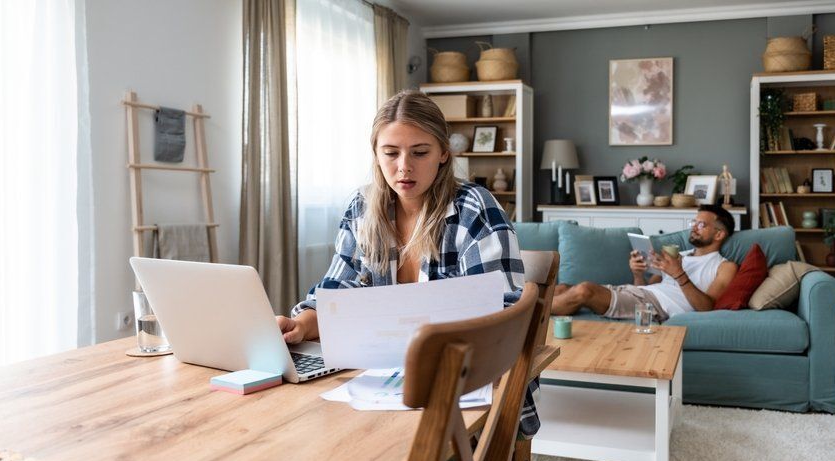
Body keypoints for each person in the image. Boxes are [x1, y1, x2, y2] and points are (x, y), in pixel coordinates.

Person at [276, 90, 538, 434]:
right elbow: (337, 291)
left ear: (443, 153)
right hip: (381, 383)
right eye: (391, 153)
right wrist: (302, 324)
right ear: (376, 154)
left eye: (420, 152)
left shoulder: (474, 208)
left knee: (367, 446)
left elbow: (505, 315)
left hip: (466, 386)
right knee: (318, 435)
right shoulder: (361, 208)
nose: (404, 167)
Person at [551, 205, 739, 322]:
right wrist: (638, 274)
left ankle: (532, 313)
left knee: (585, 290)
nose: (694, 228)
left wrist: (679, 274)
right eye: (694, 222)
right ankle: (536, 308)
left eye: (701, 225)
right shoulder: (678, 255)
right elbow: (646, 288)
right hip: (640, 296)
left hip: (657, 307)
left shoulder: (724, 266)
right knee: (562, 288)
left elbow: (707, 308)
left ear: (719, 234)